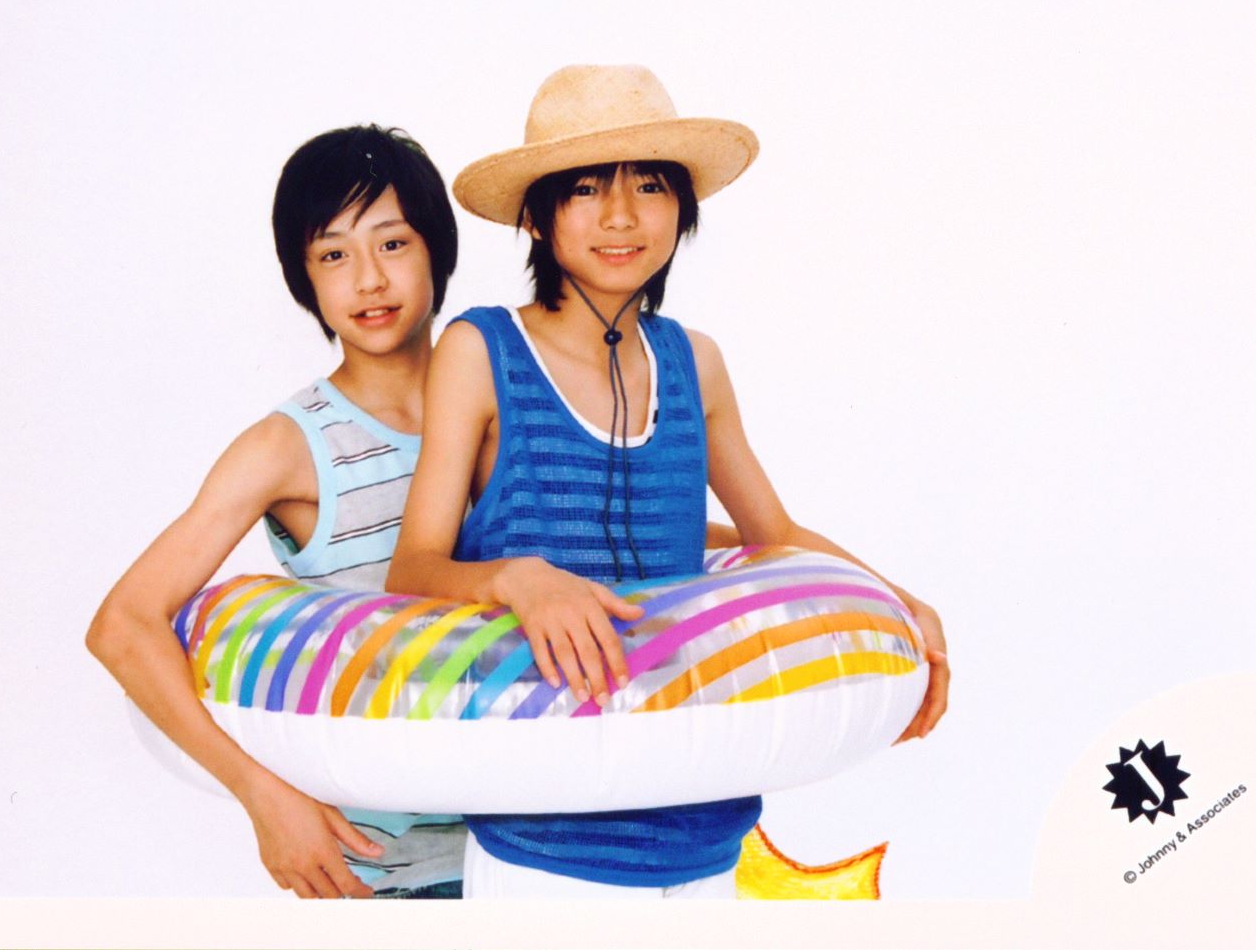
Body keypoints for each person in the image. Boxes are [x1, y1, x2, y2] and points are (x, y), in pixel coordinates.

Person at [387, 64, 951, 898]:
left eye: (649, 186)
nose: (621, 215)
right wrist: (517, 578)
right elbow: (412, 568)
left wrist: (904, 602)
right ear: (536, 217)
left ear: (681, 209)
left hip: (703, 826)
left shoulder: (696, 362)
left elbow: (773, 537)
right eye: (586, 188)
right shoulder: (481, 351)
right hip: (543, 842)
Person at [87, 124, 467, 899]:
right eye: (333, 255)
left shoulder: (498, 405)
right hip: (385, 875)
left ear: (437, 250)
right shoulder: (289, 446)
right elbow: (122, 623)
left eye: (392, 243)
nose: (368, 280)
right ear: (304, 278)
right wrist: (261, 793)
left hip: (541, 843)